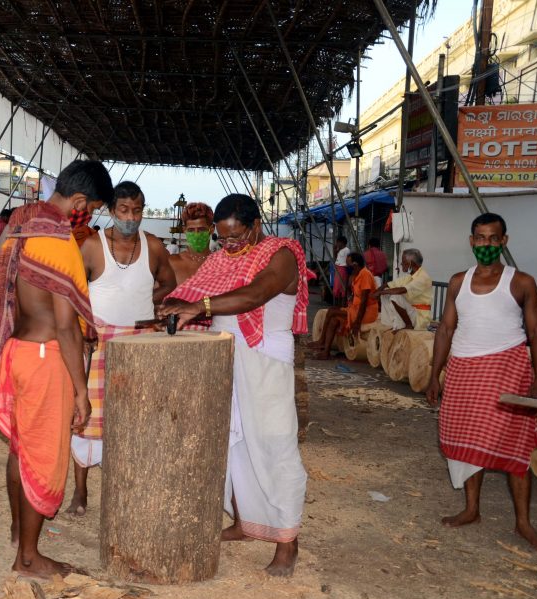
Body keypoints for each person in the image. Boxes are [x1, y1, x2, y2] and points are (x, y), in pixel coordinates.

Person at [159, 193, 310, 577]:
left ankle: (287, 542)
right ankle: (244, 523)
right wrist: (172, 306)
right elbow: (193, 293)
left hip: (265, 357)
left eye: (236, 237)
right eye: (222, 238)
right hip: (226, 355)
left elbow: (254, 295)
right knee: (233, 442)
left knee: (275, 444)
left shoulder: (282, 253)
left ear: (256, 226)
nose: (228, 246)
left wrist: (200, 308)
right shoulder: (221, 258)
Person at [0, 159, 113, 578]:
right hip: (44, 358)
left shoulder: (20, 225)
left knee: (20, 449)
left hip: (16, 352)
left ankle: (21, 534)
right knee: (43, 456)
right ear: (76, 201)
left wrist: (6, 324)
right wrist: (80, 391)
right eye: (89, 210)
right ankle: (30, 559)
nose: (88, 219)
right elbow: (66, 327)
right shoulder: (59, 242)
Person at [426, 212, 537, 549]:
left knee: (515, 445)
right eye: (481, 238)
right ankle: (471, 509)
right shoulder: (457, 282)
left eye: (494, 239)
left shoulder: (521, 282)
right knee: (467, 440)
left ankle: (523, 522)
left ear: (504, 241)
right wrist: (435, 374)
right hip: (464, 370)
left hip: (507, 368)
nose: (487, 245)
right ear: (471, 241)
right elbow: (446, 329)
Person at [68, 181, 177, 515]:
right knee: (87, 420)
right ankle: (81, 492)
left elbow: (169, 284)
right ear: (112, 211)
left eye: (138, 210)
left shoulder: (154, 246)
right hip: (98, 341)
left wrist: (149, 302)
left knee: (136, 418)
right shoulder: (91, 246)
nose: (131, 217)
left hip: (141, 341)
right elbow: (74, 293)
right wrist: (83, 329)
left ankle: (129, 489)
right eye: (124, 210)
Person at [309, 252, 378, 360]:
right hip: (355, 308)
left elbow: (364, 302)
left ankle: (322, 341)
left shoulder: (365, 274)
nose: (346, 267)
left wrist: (357, 322)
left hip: (366, 311)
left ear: (355, 264)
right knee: (334, 320)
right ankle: (326, 351)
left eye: (348, 264)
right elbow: (352, 294)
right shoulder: (357, 274)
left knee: (332, 311)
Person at [374, 248, 432, 331]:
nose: (401, 264)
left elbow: (402, 290)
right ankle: (391, 324)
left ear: (411, 263)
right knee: (386, 294)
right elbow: (388, 284)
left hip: (419, 317)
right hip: (412, 311)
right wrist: (377, 292)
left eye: (404, 262)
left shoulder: (423, 277)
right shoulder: (410, 276)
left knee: (395, 297)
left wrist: (379, 292)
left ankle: (409, 325)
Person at [168, 201, 215, 285]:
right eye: (191, 230)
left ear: (211, 229)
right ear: (184, 230)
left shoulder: (220, 263)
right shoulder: (172, 262)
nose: (196, 234)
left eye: (201, 230)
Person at [331, 235, 350, 305]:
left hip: (342, 269)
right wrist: (335, 251)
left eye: (338, 242)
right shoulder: (340, 250)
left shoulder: (346, 250)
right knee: (337, 288)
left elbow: (347, 261)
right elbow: (336, 259)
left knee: (341, 287)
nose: (337, 244)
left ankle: (342, 305)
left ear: (342, 242)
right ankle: (338, 305)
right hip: (338, 268)